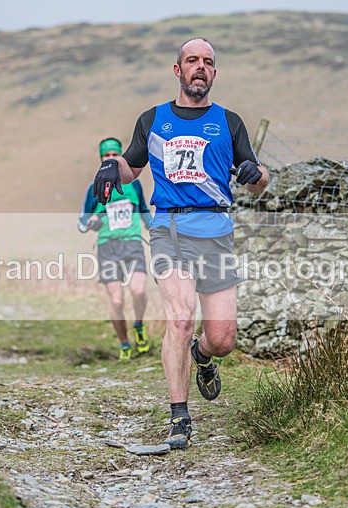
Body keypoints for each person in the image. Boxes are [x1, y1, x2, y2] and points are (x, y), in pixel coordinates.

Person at [91, 38, 269, 449]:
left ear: (214, 73)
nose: (200, 68)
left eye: (208, 62)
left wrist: (251, 171)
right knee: (181, 316)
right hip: (169, 230)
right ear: (178, 70)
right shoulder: (154, 119)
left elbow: (261, 181)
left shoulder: (229, 122)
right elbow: (131, 168)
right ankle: (180, 417)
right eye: (192, 61)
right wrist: (108, 165)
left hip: (217, 232)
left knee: (222, 338)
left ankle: (201, 356)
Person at [79, 137, 153, 360]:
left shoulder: (134, 184)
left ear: (120, 158)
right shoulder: (95, 188)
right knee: (117, 300)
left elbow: (143, 212)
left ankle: (139, 325)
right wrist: (91, 223)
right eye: (106, 156)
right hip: (107, 248)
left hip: (132, 244)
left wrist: (155, 228)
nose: (110, 159)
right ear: (101, 159)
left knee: (138, 291)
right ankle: (124, 344)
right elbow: (82, 222)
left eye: (114, 155)